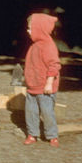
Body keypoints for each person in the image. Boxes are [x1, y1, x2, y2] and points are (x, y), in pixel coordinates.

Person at [22, 12, 61, 147]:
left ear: (40, 29)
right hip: (32, 87)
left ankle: (52, 136)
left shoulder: (48, 46)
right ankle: (32, 134)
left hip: (45, 88)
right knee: (31, 112)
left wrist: (49, 83)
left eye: (31, 28)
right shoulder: (34, 46)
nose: (28, 30)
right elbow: (31, 65)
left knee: (47, 112)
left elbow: (54, 65)